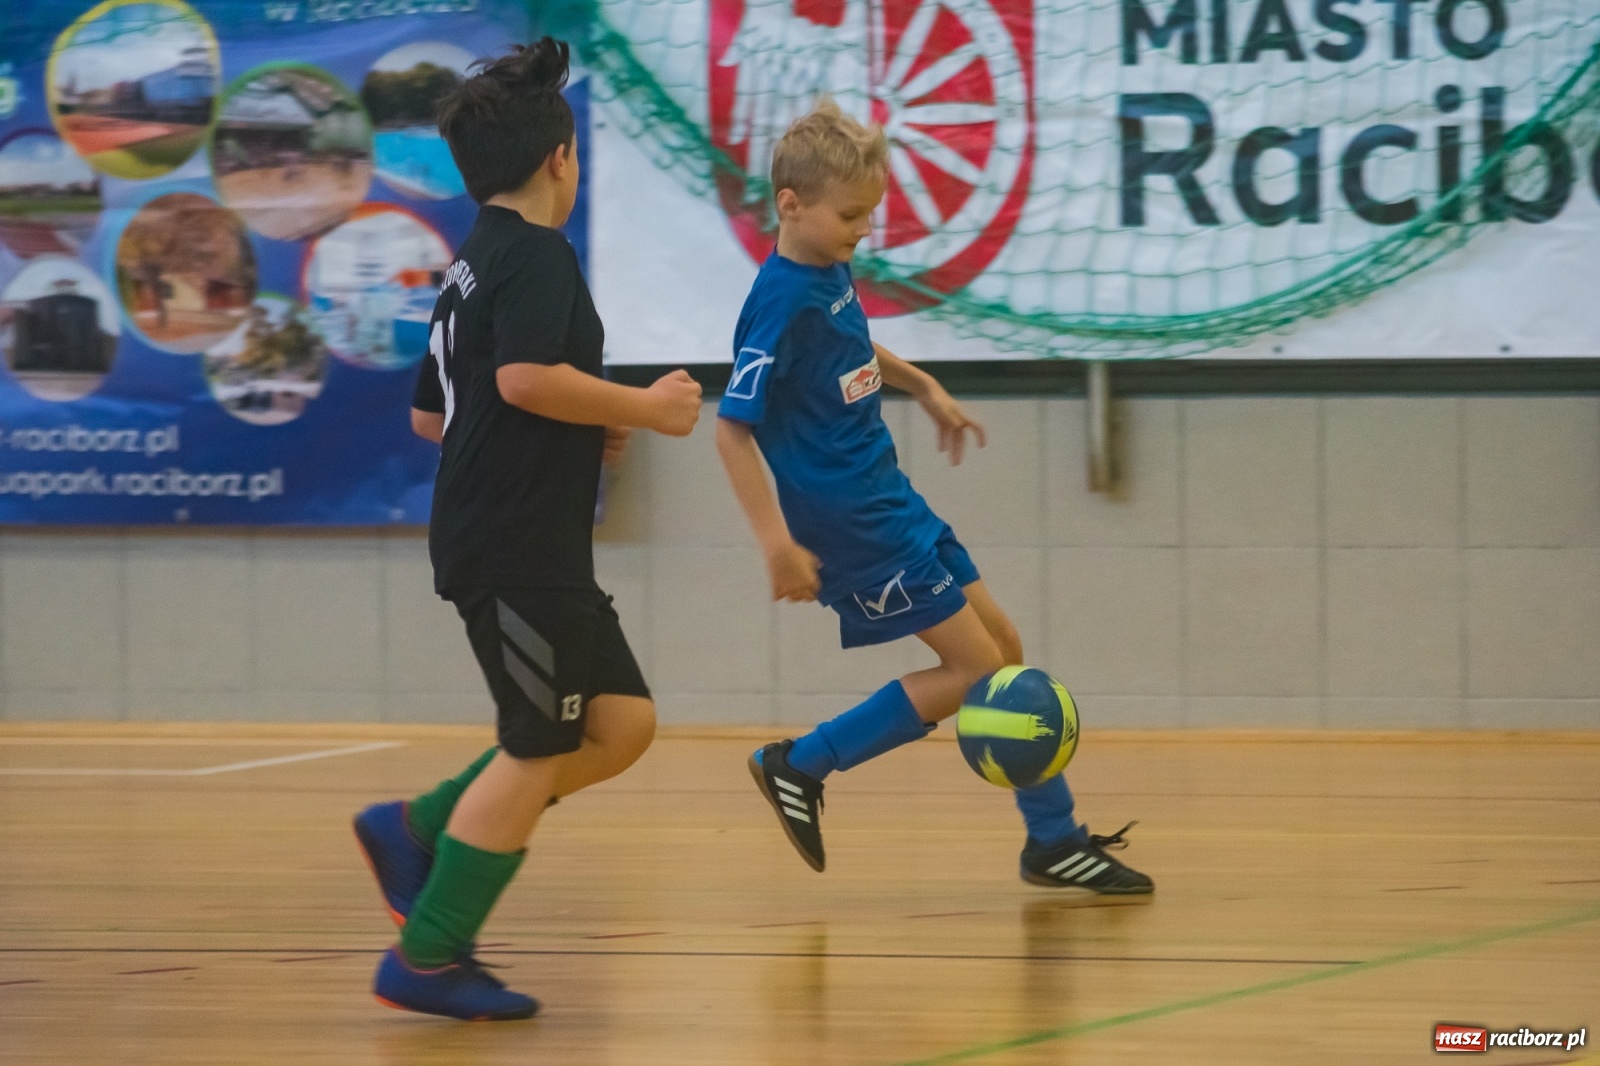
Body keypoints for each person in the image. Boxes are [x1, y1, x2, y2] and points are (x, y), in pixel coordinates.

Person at [716, 100, 1152, 895]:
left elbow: (850, 341)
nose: (864, 229)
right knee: (981, 674)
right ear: (791, 205)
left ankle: (1051, 841)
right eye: (852, 214)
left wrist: (921, 383)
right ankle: (800, 762)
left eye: (870, 213)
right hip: (851, 525)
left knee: (1004, 651)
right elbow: (731, 430)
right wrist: (776, 543)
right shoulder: (776, 303)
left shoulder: (825, 269)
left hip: (891, 499)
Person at [352, 38, 702, 1021]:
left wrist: (584, 424)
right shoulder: (538, 255)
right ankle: (427, 957)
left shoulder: (471, 264)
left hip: (526, 539)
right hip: (512, 543)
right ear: (562, 159)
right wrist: (639, 407)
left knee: (620, 725)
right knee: (539, 740)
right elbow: (517, 382)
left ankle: (416, 828)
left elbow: (434, 414)